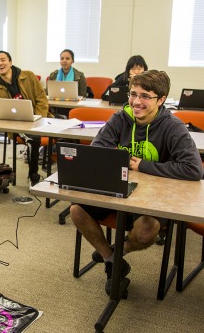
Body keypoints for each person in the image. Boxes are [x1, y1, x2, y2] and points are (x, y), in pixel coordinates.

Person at [70, 70, 203, 295]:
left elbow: (193, 169)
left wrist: (143, 166)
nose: (136, 101)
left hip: (155, 196)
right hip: (119, 187)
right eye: (133, 94)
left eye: (145, 96)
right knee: (76, 210)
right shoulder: (121, 117)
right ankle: (112, 259)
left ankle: (114, 252)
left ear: (161, 100)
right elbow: (96, 151)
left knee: (145, 231)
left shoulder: (172, 127)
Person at [0, 50, 52, 186]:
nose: (0, 63)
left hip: (38, 119)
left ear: (10, 62)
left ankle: (34, 173)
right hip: (16, 125)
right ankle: (34, 175)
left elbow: (42, 99)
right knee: (33, 139)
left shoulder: (29, 76)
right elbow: (3, 113)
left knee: (35, 136)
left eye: (3, 60)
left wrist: (38, 118)